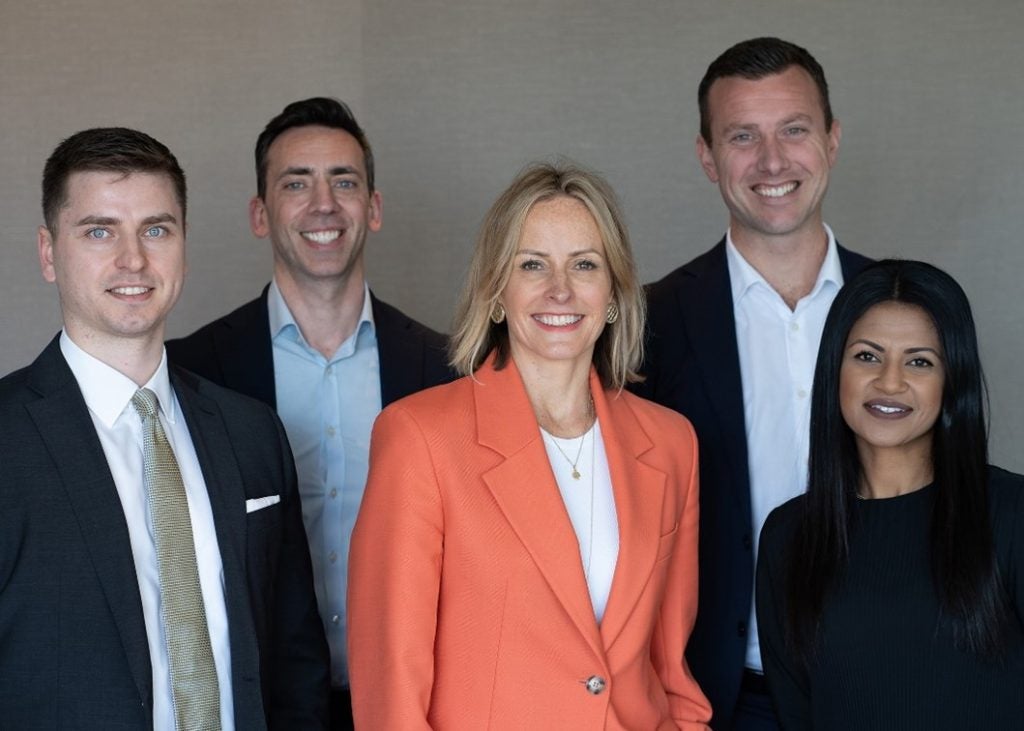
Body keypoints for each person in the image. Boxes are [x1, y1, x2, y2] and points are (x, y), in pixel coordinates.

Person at [347, 162, 712, 729]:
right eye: (532, 264)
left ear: (613, 294)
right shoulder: (419, 438)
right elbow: (391, 687)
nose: (559, 289)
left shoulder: (671, 442)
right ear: (497, 292)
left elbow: (671, 671)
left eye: (584, 264)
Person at [0, 127, 329, 728]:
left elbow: (295, 663)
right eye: (99, 231)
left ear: (183, 246)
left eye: (156, 230)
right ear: (48, 253)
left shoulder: (252, 432)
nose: (133, 259)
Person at [167, 97, 451, 730]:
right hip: (259, 707)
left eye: (343, 182)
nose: (324, 204)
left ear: (373, 208)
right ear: (260, 214)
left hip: (411, 704)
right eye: (296, 184)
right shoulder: (191, 372)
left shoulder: (446, 368)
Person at [632, 37, 871, 729]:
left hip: (888, 678)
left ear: (831, 140)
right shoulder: (649, 323)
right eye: (743, 136)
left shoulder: (901, 307)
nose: (772, 161)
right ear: (708, 157)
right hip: (725, 697)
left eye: (794, 129)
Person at [756, 259, 1024, 729]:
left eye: (920, 362)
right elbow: (797, 712)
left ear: (952, 381)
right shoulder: (789, 536)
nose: (890, 381)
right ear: (835, 369)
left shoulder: (1012, 514)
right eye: (867, 356)